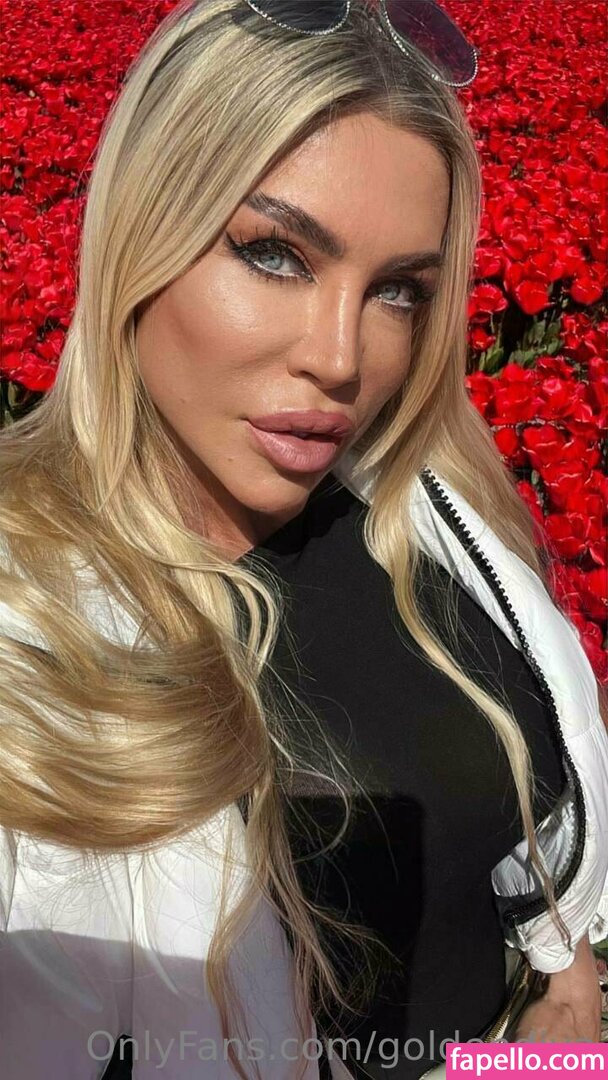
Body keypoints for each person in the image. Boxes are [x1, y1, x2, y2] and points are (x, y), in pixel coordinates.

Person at [0, 1, 606, 1078]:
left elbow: (535, 882)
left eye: (397, 290)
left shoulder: (428, 514)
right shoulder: (24, 635)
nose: (341, 359)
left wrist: (562, 1005)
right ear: (141, 234)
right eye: (275, 253)